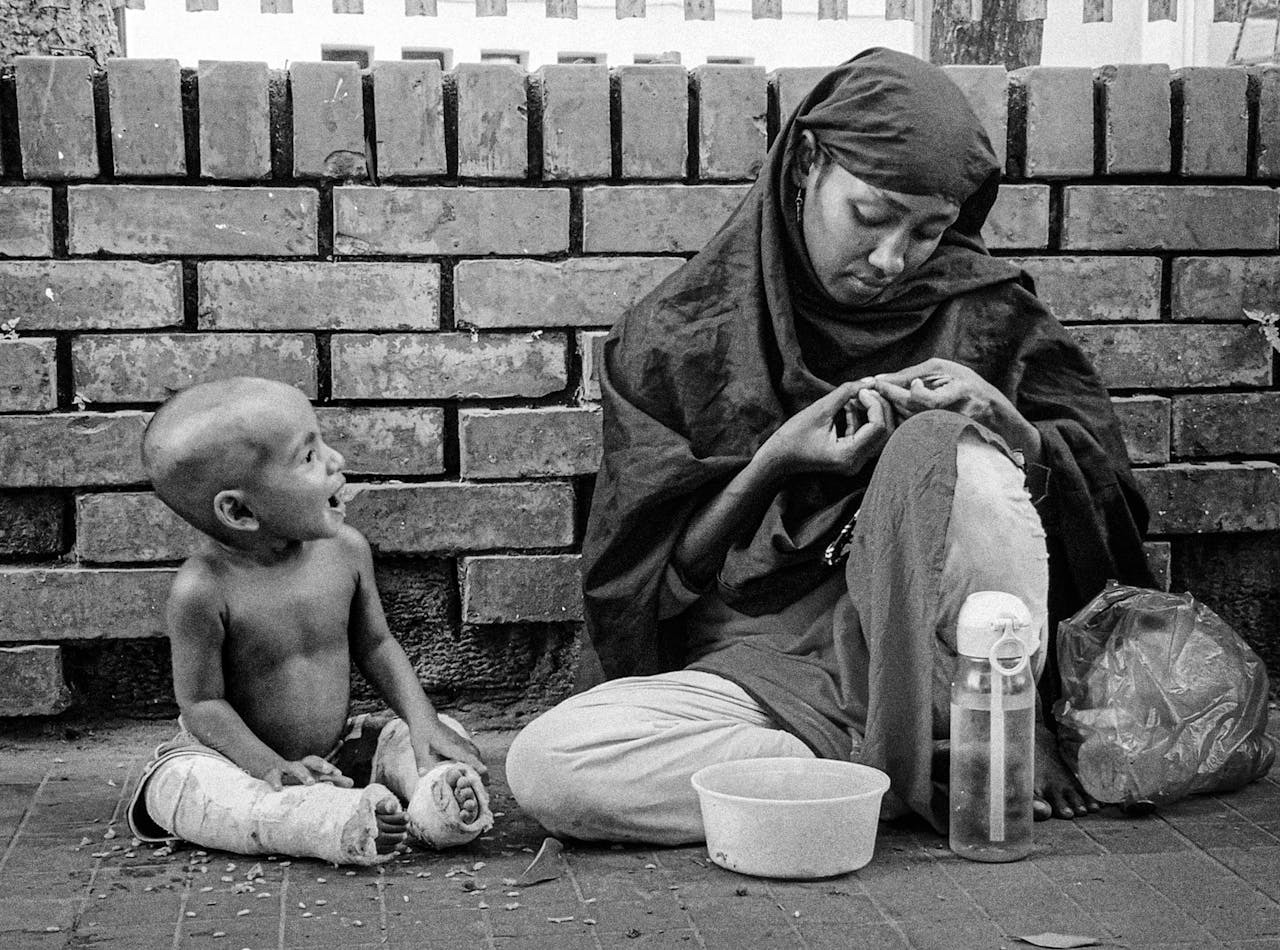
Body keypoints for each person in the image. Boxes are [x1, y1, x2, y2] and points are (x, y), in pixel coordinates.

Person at [505, 48, 1154, 844]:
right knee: (549, 763)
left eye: (928, 231)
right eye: (873, 216)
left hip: (945, 666)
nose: (892, 260)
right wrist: (778, 458)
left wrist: (1008, 424)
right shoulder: (681, 336)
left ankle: (987, 734)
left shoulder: (983, 312)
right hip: (768, 669)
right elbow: (648, 588)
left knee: (959, 450)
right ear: (807, 163)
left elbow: (1102, 508)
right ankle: (890, 774)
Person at [126, 377, 494, 865]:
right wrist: (271, 768)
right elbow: (202, 704)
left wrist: (422, 720)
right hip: (239, 762)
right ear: (239, 510)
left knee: (433, 732)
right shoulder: (202, 588)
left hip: (339, 752)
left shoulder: (346, 551)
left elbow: (377, 645)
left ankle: (432, 805)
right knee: (183, 788)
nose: (336, 461)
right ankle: (320, 820)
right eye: (308, 457)